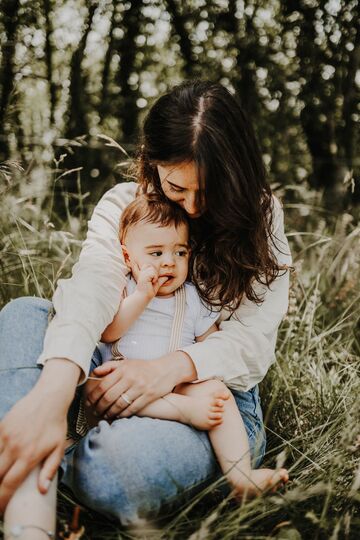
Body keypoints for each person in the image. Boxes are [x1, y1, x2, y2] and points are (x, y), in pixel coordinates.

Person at [0, 80, 292, 531]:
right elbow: (94, 288)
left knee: (114, 471)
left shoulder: (261, 218)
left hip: (207, 398)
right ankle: (29, 518)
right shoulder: (123, 205)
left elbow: (249, 344)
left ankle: (53, 440)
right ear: (151, 163)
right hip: (105, 367)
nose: (193, 208)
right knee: (22, 314)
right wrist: (55, 391)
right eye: (177, 187)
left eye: (209, 189)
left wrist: (162, 373)